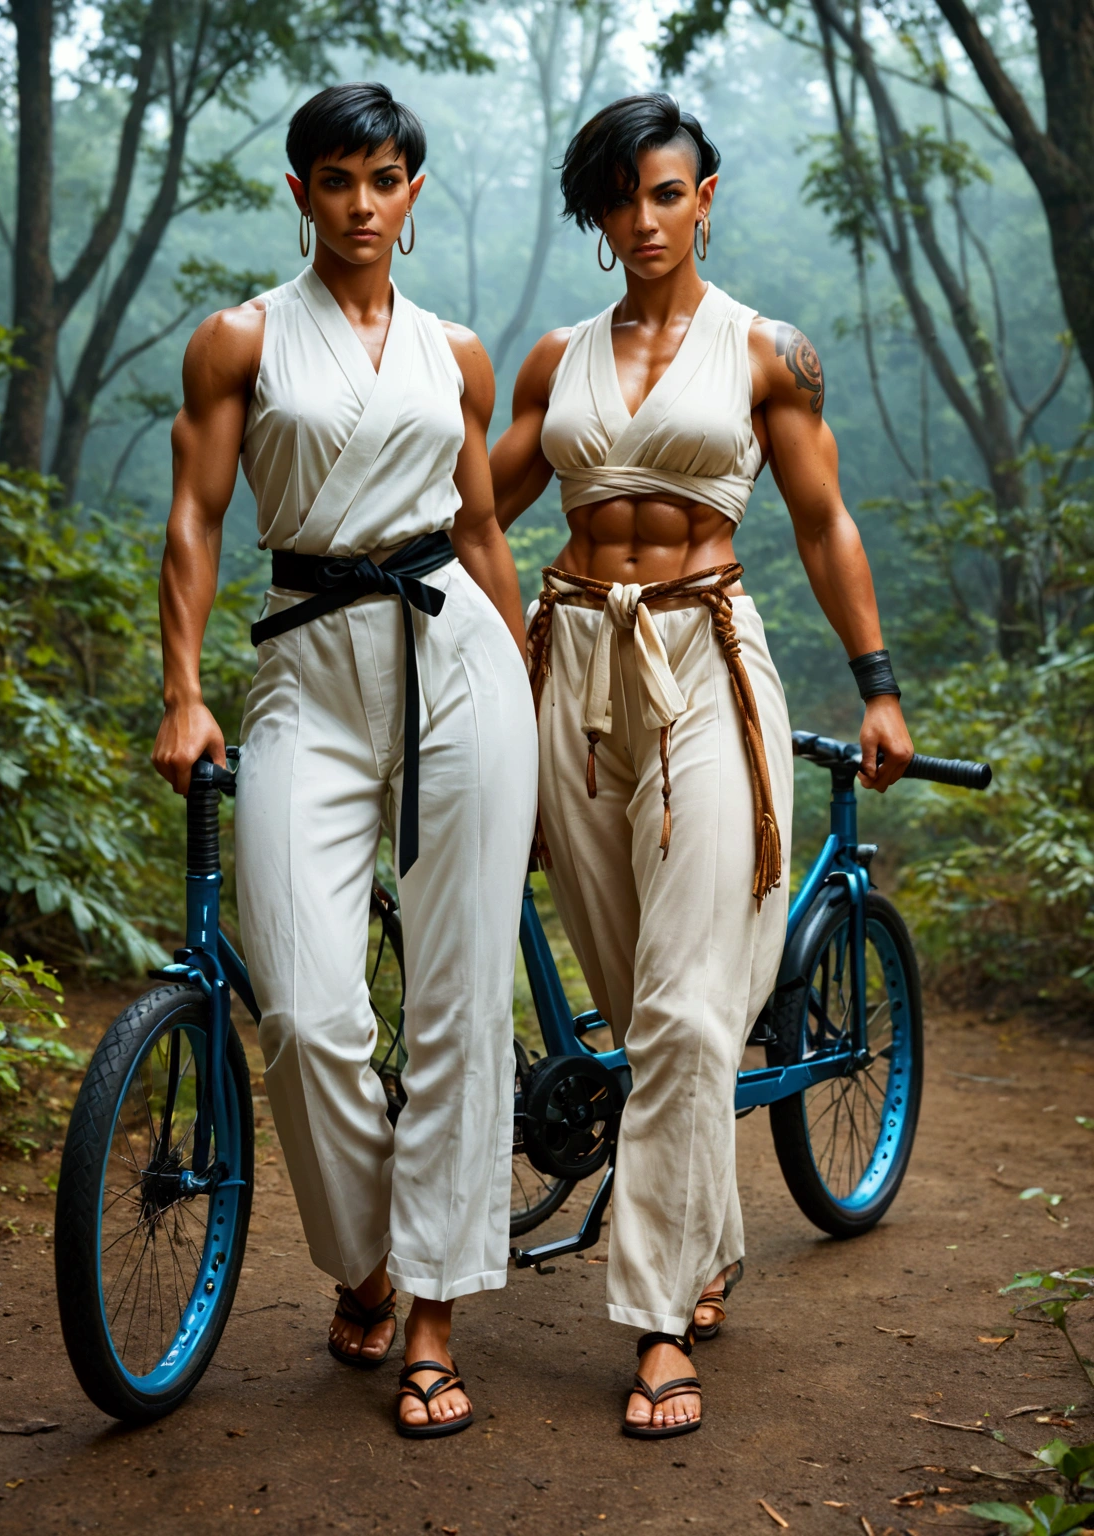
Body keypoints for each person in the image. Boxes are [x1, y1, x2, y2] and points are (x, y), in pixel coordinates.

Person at [490, 93, 913, 1439]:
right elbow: (473, 508)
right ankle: (705, 1238)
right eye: (620, 201)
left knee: (681, 1011)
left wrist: (878, 684)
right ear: (600, 216)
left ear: (707, 194)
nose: (645, 220)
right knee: (633, 995)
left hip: (706, 672)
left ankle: (658, 1318)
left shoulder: (766, 353)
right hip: (572, 671)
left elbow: (824, 519)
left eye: (666, 193)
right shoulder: (557, 358)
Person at [152, 81, 537, 1439]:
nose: (363, 203)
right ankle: (365, 1258)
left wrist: (534, 701)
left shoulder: (459, 354)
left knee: (458, 1002)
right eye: (337, 179)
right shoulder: (240, 339)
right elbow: (197, 518)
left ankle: (431, 1308)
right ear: (302, 193)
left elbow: (485, 532)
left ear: (412, 193)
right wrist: (184, 692)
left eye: (386, 179)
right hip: (304, 669)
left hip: (461, 663)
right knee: (308, 1015)